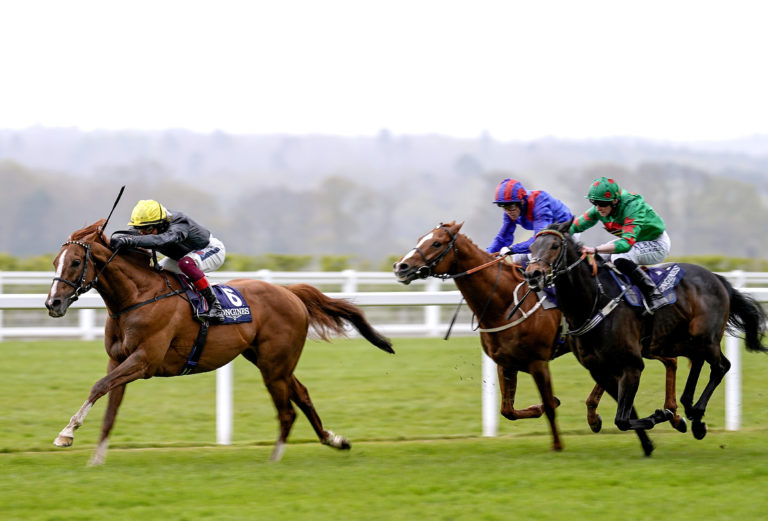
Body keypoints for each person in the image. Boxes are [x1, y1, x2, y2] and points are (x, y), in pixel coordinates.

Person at [110, 200, 227, 322]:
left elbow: (162, 239)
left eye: (148, 229)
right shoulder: (150, 225)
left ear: (162, 224)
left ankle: (216, 307)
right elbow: (130, 236)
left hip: (211, 249)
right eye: (139, 229)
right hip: (183, 257)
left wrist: (129, 241)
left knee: (186, 264)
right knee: (155, 274)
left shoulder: (180, 222)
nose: (143, 233)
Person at [569, 176, 671, 313]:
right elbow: (574, 226)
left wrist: (594, 249)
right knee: (598, 259)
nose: (598, 207)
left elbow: (626, 244)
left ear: (615, 201)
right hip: (636, 240)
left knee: (619, 257)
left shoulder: (632, 206)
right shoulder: (599, 209)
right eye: (594, 202)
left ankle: (654, 295)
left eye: (602, 203)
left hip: (656, 243)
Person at [487, 178, 573, 265]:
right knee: (517, 260)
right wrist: (486, 255)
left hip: (566, 229)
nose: (508, 211)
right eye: (504, 207)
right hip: (547, 235)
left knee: (531, 261)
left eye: (510, 207)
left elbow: (540, 239)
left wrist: (513, 249)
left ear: (521, 202)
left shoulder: (539, 206)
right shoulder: (510, 211)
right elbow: (503, 237)